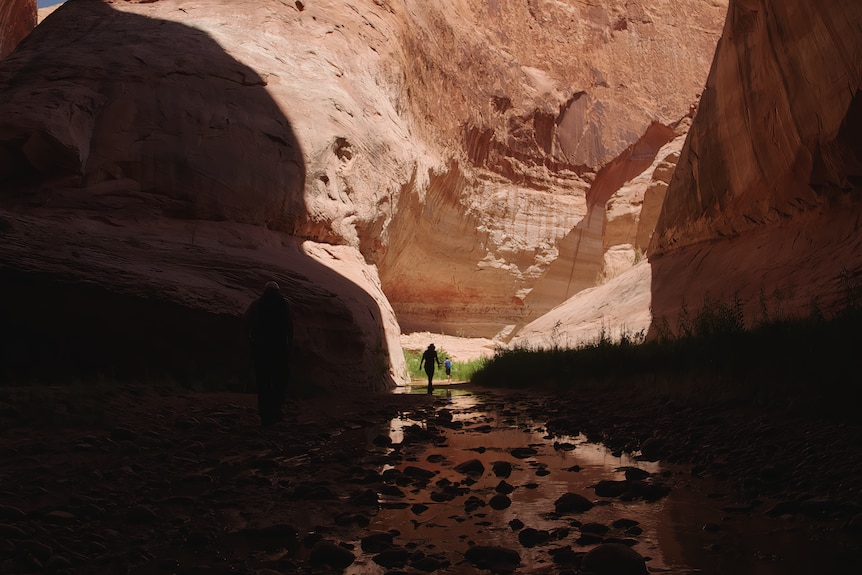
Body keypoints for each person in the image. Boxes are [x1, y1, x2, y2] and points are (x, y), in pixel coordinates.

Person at [245, 281, 293, 426]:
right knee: (279, 380)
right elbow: (290, 327)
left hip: (261, 349)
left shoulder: (256, 304)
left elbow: (247, 324)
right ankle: (276, 410)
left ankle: (265, 415)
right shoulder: (285, 304)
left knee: (263, 381)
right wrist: (289, 346)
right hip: (279, 348)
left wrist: (251, 344)